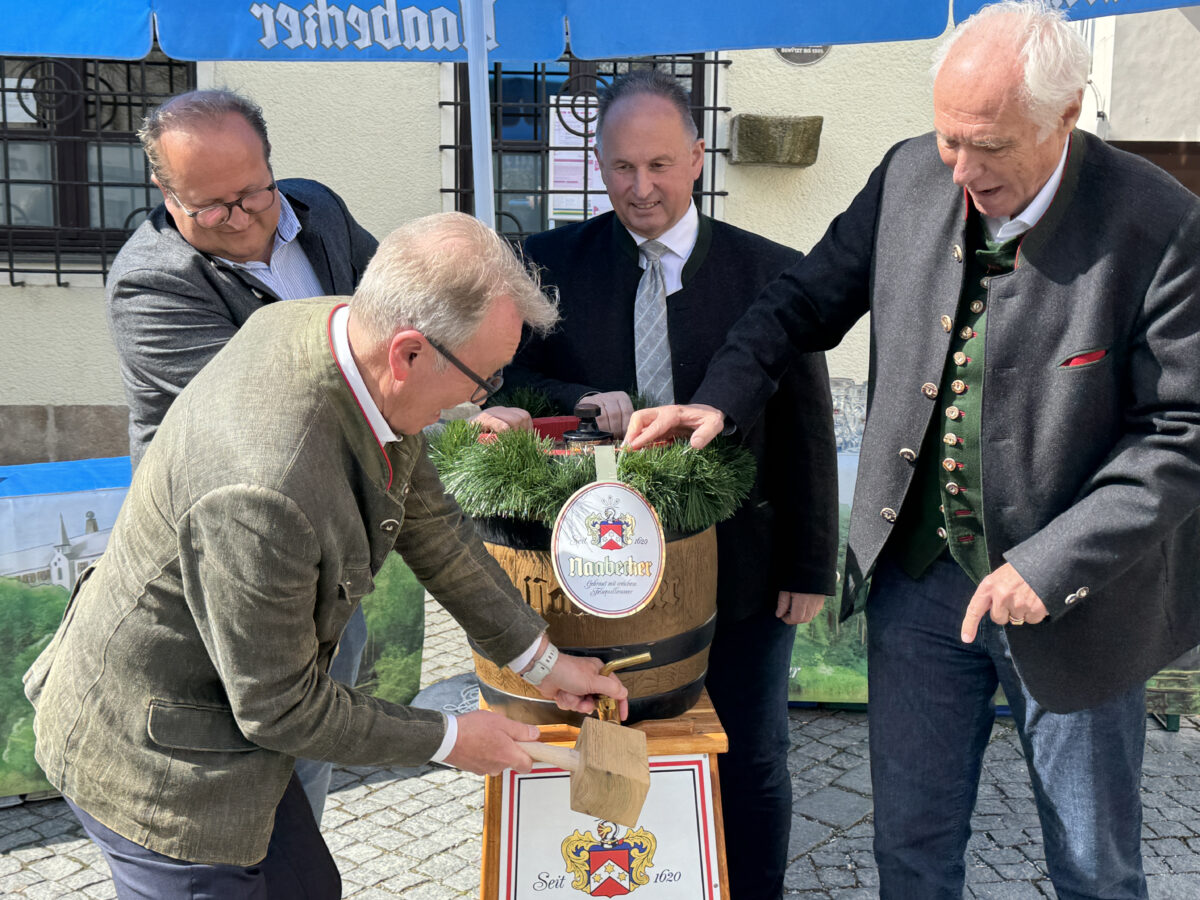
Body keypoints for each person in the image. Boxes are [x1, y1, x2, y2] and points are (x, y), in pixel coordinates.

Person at [625, 3, 1200, 898]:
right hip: (919, 587)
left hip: (1076, 604)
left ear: (1067, 113)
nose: (963, 172)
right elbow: (797, 303)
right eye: (948, 140)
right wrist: (719, 400)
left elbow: (1182, 432)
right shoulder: (907, 177)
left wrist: (1048, 564)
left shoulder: (1158, 222)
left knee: (1094, 870)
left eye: (991, 146)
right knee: (911, 854)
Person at [26, 211, 629, 899]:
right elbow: (279, 708)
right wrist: (450, 737)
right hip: (163, 765)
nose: (479, 401)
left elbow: (431, 523)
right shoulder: (266, 490)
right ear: (408, 353)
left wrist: (540, 663)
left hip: (231, 716)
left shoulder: (346, 333)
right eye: (484, 379)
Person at [103, 88, 528, 822]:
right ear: (164, 193)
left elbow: (400, 328)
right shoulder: (151, 287)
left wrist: (452, 399)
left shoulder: (320, 212)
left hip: (332, 533)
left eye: (252, 193)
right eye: (210, 206)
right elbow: (267, 423)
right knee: (264, 738)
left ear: (272, 164)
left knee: (311, 754)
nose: (240, 218)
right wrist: (450, 736)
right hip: (231, 554)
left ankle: (291, 838)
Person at [505, 69, 838, 898]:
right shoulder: (543, 266)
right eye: (621, 167)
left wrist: (808, 565)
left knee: (752, 751)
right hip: (589, 572)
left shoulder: (774, 273)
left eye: (659, 165)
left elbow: (806, 429)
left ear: (696, 158)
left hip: (746, 571)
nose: (640, 187)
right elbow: (503, 384)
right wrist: (574, 403)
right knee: (613, 747)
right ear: (598, 162)